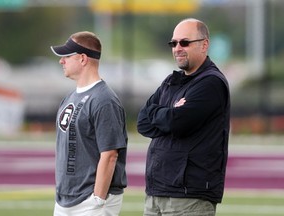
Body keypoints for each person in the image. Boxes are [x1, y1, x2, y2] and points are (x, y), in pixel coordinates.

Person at [137, 18, 230, 216]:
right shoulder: (172, 80)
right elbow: (143, 122)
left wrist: (165, 115)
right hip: (157, 191)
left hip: (189, 195)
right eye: (174, 43)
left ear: (204, 45)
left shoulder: (211, 82)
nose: (178, 48)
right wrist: (169, 113)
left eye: (185, 42)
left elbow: (177, 123)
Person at [50, 31, 128, 216]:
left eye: (67, 56)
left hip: (91, 201)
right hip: (65, 198)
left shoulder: (104, 100)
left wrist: (98, 199)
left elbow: (110, 154)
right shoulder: (70, 97)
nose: (62, 61)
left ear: (83, 59)